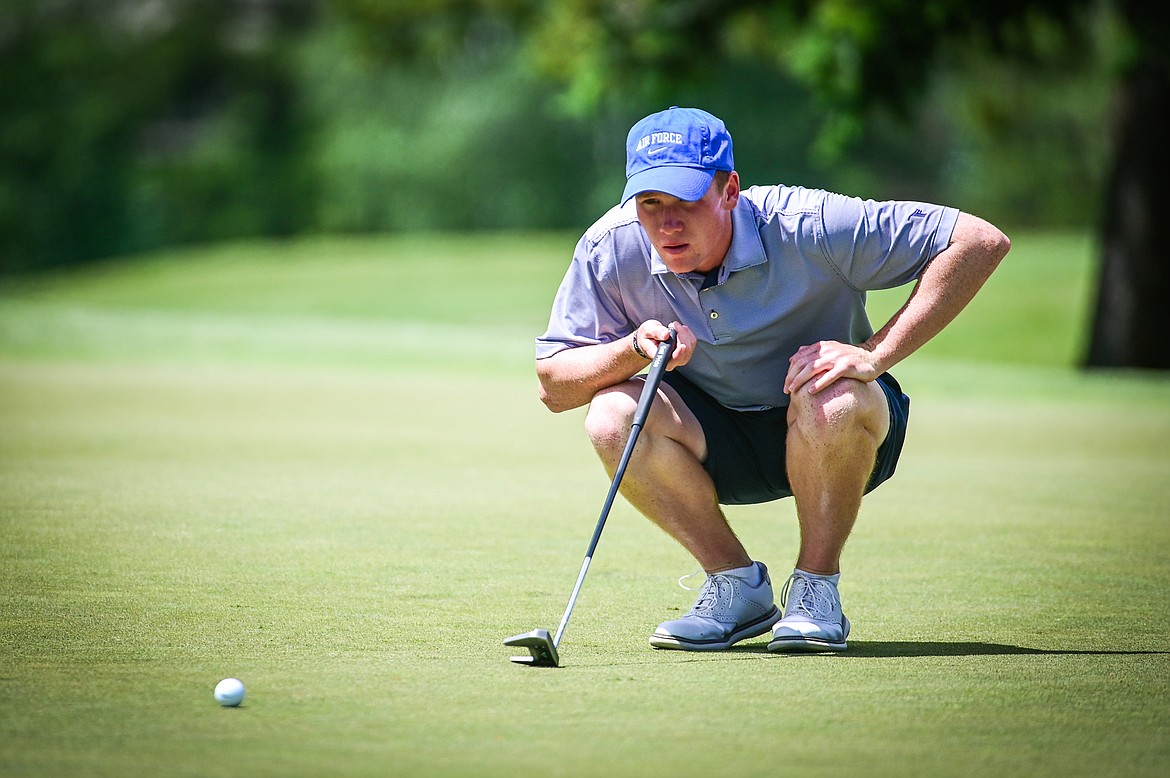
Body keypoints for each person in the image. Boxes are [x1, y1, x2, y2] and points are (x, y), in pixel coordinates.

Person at [534, 106, 1010, 653]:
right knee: (610, 415)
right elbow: (554, 386)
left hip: (836, 427)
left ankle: (815, 590)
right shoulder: (611, 247)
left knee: (833, 395)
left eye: (686, 201)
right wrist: (634, 348)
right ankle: (737, 587)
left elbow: (979, 241)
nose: (667, 224)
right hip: (714, 441)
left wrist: (874, 355)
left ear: (730, 189)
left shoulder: (808, 225)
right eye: (651, 204)